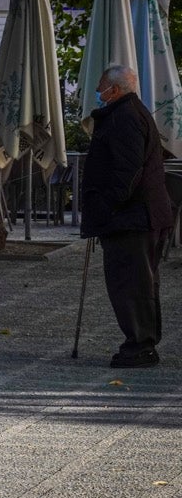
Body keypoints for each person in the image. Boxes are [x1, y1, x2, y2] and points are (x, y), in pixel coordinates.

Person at [79, 64, 173, 369]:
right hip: (136, 216)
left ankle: (140, 346)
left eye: (101, 87)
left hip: (131, 218)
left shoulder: (125, 118)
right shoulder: (129, 113)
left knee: (132, 285)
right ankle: (141, 343)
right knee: (137, 283)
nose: (98, 92)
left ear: (115, 90)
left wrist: (106, 207)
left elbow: (126, 171)